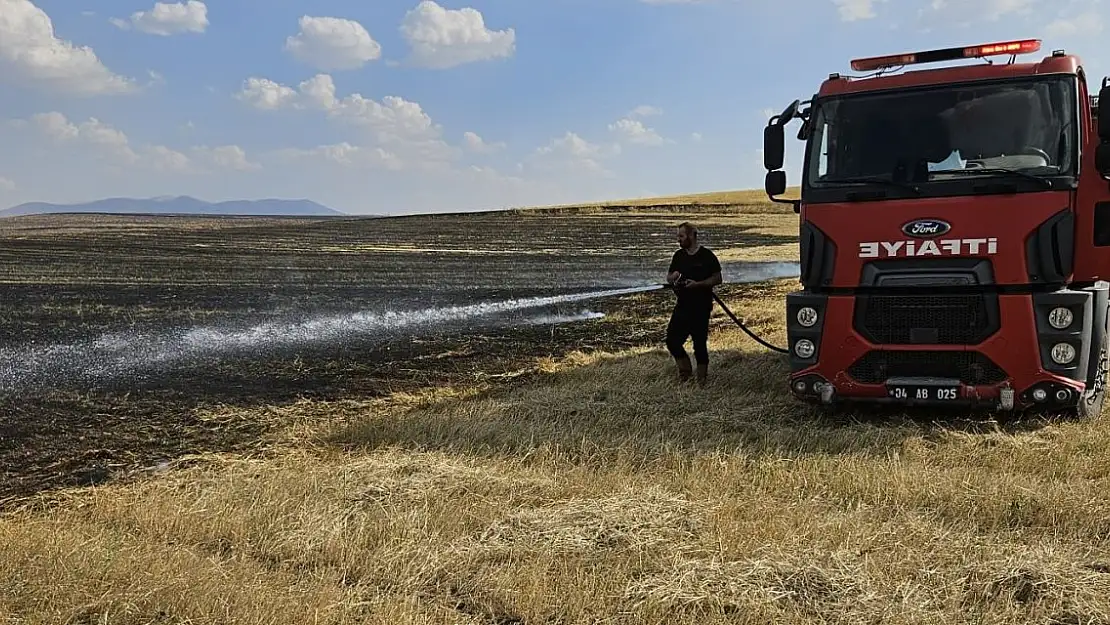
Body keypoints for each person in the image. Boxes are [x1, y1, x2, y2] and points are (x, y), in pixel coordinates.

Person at [665, 222, 722, 386]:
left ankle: (702, 381)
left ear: (691, 236)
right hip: (682, 305)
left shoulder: (707, 256)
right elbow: (669, 277)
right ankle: (685, 374)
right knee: (672, 341)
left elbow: (718, 278)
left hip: (701, 307)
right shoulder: (679, 256)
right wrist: (673, 277)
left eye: (681, 236)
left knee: (699, 344)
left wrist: (699, 284)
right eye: (678, 236)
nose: (678, 240)